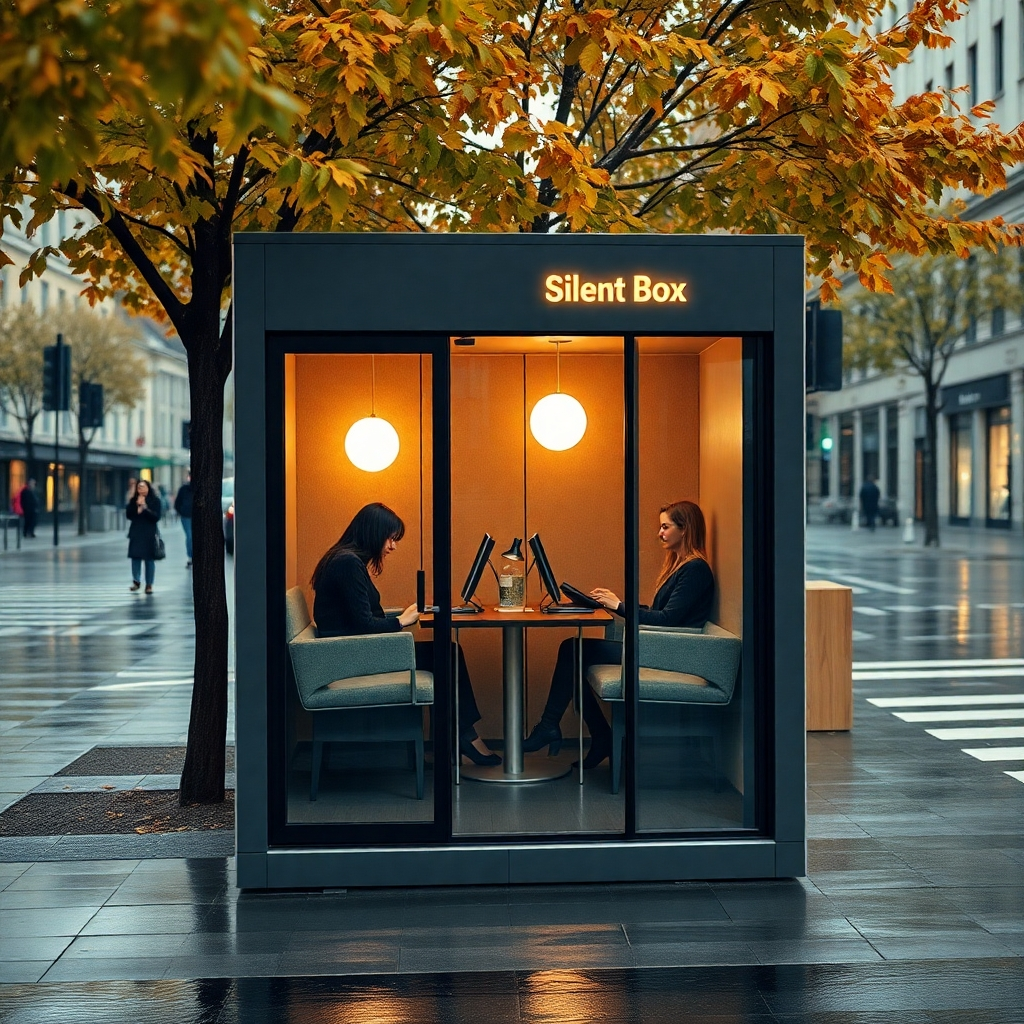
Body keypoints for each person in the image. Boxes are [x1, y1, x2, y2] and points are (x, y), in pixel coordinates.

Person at [522, 500, 716, 769]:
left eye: (665, 526)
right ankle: (594, 736)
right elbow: (661, 612)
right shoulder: (682, 567)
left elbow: (668, 619)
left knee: (572, 649)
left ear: (685, 529)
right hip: (659, 645)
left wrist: (619, 607)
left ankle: (552, 727)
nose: (659, 533)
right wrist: (615, 603)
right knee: (575, 655)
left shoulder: (695, 569)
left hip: (669, 653)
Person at [311, 502, 499, 767]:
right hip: (350, 658)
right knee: (448, 653)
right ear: (373, 533)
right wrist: (401, 621)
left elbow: (360, 619)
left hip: (351, 650)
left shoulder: (345, 560)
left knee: (445, 653)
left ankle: (455, 741)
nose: (392, 546)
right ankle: (464, 738)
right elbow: (364, 625)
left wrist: (403, 615)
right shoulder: (347, 564)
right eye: (390, 538)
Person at [126, 479, 162, 594]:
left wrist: (145, 508)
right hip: (136, 532)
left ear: (148, 488)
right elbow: (129, 515)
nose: (141, 489)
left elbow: (156, 517)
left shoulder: (155, 501)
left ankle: (149, 584)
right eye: (139, 487)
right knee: (135, 557)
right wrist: (137, 507)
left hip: (149, 533)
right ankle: (136, 581)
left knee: (149, 560)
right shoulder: (133, 500)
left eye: (143, 487)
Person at [174, 472, 193, 567]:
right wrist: (181, 511)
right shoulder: (183, 489)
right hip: (186, 516)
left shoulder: (201, 488)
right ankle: (190, 557)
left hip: (197, 517)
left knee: (196, 537)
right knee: (190, 536)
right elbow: (177, 502)